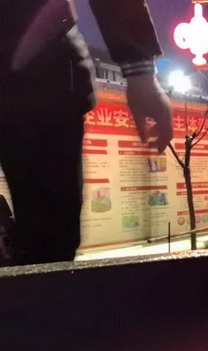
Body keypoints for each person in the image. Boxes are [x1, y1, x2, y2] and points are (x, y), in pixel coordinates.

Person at [0, 1, 173, 265]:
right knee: (49, 246)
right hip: (41, 76)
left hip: (40, 79)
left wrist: (139, 69)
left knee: (49, 247)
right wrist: (139, 69)